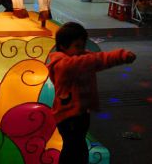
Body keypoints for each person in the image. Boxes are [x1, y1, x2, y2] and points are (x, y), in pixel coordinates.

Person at [47, 22, 136, 164]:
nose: (82, 49)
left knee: (78, 147)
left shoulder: (79, 59)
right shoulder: (63, 65)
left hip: (79, 113)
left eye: (83, 45)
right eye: (77, 46)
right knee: (73, 149)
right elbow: (94, 60)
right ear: (63, 46)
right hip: (68, 117)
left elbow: (96, 61)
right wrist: (120, 56)